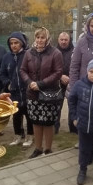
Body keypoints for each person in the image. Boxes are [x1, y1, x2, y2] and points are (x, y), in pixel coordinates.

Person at [20, 27, 63, 159]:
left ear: (47, 38)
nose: (39, 40)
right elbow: (22, 70)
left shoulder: (55, 53)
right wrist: (29, 82)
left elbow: (58, 72)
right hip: (32, 94)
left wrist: (41, 84)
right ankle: (38, 148)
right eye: (37, 37)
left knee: (48, 123)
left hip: (49, 93)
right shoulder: (29, 53)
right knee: (36, 121)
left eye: (42, 37)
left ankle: (48, 149)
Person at [0, 32, 33, 147]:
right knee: (16, 115)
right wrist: (7, 84)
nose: (13, 45)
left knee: (29, 115)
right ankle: (18, 135)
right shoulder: (6, 57)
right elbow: (2, 73)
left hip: (27, 91)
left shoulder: (28, 55)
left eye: (16, 43)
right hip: (14, 92)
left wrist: (30, 83)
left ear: (22, 43)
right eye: (11, 43)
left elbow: (33, 70)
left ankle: (30, 136)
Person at [55, 31, 76, 135]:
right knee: (56, 106)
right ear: (58, 40)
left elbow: (77, 66)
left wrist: (71, 78)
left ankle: (73, 128)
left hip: (71, 82)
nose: (63, 42)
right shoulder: (53, 52)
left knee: (72, 105)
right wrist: (60, 76)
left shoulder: (75, 51)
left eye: (66, 40)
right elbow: (50, 68)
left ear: (69, 40)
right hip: (56, 83)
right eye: (61, 40)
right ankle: (55, 128)